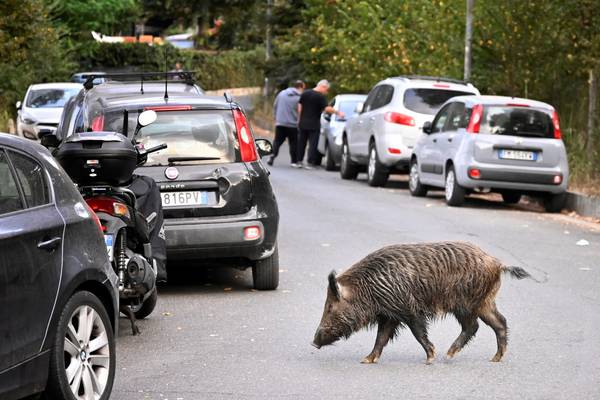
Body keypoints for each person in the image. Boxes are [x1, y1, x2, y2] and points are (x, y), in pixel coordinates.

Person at [297, 80, 343, 169]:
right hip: (314, 124)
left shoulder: (305, 93)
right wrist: (338, 112)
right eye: (327, 90)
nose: (326, 92)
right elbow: (327, 109)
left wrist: (299, 118)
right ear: (323, 87)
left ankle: (299, 161)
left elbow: (299, 107)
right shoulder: (320, 97)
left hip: (303, 122)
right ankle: (310, 163)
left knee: (301, 142)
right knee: (313, 144)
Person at [268, 80, 305, 167]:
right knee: (293, 143)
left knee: (277, 141)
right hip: (293, 124)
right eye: (303, 88)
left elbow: (275, 105)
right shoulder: (300, 97)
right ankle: (293, 161)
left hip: (280, 123)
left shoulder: (282, 93)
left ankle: (272, 155)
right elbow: (300, 111)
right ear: (300, 87)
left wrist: (276, 117)